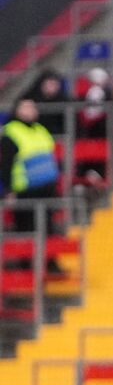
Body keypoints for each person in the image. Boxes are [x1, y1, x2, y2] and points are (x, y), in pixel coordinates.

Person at [2, 99, 64, 274]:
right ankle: (26, 266)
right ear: (17, 110)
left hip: (47, 189)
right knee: (26, 229)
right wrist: (8, 190)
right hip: (25, 191)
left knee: (49, 228)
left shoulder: (40, 130)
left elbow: (51, 156)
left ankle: (50, 263)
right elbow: (6, 165)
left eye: (32, 107)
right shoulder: (11, 132)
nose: (30, 110)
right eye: (26, 107)